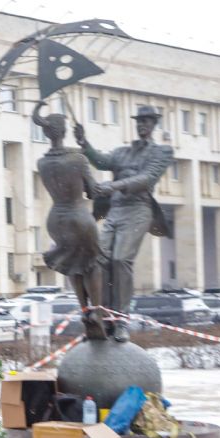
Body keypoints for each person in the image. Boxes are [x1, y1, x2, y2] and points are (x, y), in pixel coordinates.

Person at [74, 104, 173, 342]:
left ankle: (121, 320)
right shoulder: (121, 153)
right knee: (99, 260)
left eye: (147, 121)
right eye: (139, 121)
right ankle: (103, 317)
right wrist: (84, 143)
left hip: (139, 209)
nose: (142, 125)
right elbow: (101, 161)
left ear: (154, 125)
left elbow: (146, 178)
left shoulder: (162, 152)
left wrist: (114, 186)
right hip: (115, 210)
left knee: (120, 260)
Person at [31, 104, 106, 340]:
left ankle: (84, 310)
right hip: (78, 215)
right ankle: (97, 312)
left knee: (73, 265)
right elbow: (93, 191)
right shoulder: (77, 158)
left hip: (55, 219)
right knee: (92, 264)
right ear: (64, 131)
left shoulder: (42, 163)